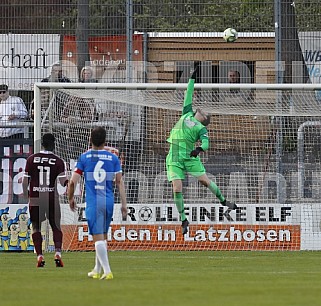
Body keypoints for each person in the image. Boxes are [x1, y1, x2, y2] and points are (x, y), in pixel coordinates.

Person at [166, 65, 237, 235]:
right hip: (175, 154)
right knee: (177, 188)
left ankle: (223, 201)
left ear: (204, 119)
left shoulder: (201, 128)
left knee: (205, 182)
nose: (202, 109)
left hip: (191, 157)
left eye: (204, 112)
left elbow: (206, 144)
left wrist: (198, 150)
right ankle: (184, 219)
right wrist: (192, 77)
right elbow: (188, 93)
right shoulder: (187, 113)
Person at [67, 126, 127, 280]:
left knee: (97, 237)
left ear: (90, 140)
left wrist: (71, 198)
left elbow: (73, 182)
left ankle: (107, 271)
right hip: (108, 201)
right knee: (103, 236)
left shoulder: (85, 157)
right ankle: (96, 269)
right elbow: (119, 181)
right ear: (105, 141)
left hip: (94, 201)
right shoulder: (113, 158)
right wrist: (124, 205)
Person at [22, 133, 68, 268]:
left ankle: (40, 256)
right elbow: (62, 182)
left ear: (42, 143)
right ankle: (58, 253)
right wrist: (69, 183)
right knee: (56, 226)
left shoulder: (31, 159)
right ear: (54, 144)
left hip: (35, 197)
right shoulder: (58, 161)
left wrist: (27, 195)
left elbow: (25, 181)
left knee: (36, 226)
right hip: (51, 197)